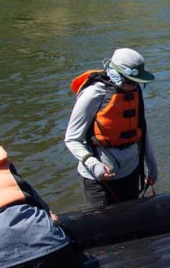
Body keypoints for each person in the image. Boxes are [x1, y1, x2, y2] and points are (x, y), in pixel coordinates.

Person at [65, 48, 158, 209]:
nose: (133, 86)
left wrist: (152, 166)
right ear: (115, 74)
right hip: (99, 180)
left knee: (132, 221)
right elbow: (72, 139)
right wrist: (94, 165)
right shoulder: (93, 94)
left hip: (130, 172)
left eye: (136, 82)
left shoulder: (134, 91)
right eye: (129, 81)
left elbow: (142, 131)